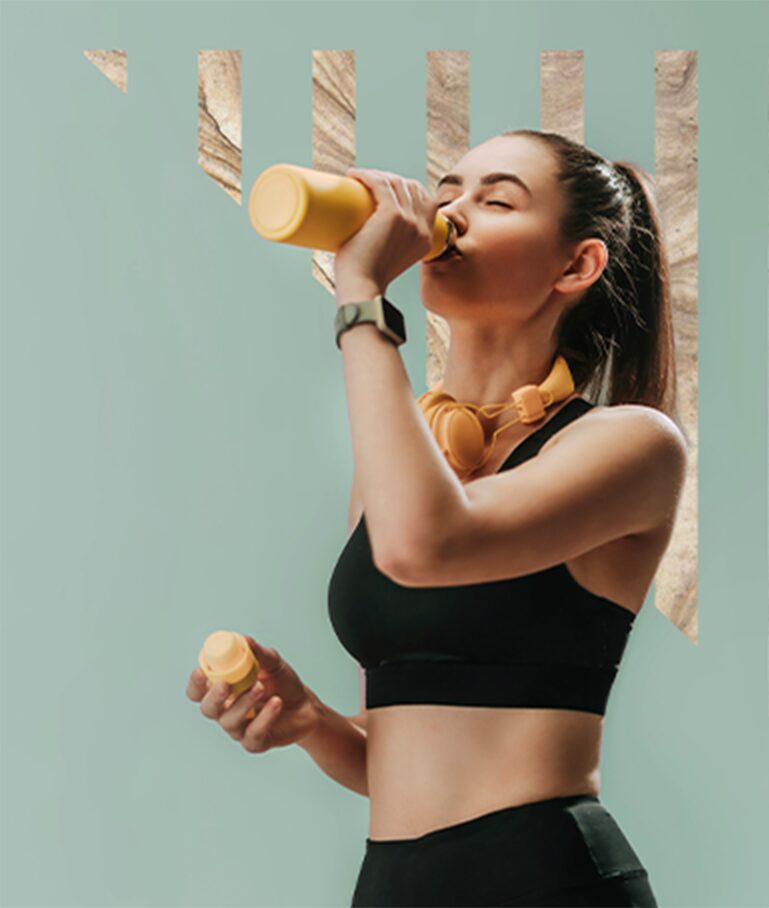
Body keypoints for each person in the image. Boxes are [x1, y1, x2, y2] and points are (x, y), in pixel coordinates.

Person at [187, 129, 688, 907]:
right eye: (447, 192)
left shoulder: (630, 445)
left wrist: (360, 294)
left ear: (576, 265)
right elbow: (403, 747)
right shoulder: (408, 457)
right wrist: (311, 719)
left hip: (541, 877)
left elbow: (428, 545)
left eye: (496, 199)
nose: (451, 211)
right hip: (393, 883)